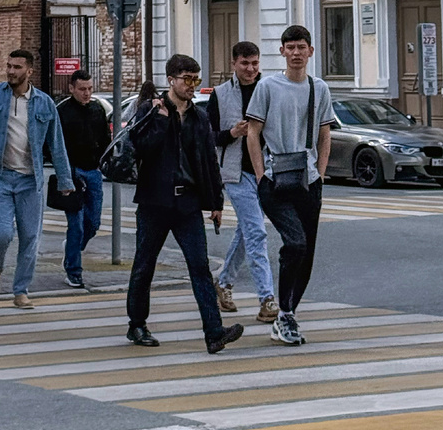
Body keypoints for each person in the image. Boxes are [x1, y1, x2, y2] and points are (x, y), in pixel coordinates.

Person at [125, 53, 244, 354]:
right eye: (186, 80)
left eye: (196, 79)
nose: (192, 86)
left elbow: (207, 160)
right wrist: (161, 123)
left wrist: (216, 202)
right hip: (154, 202)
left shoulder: (199, 117)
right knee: (144, 265)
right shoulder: (150, 111)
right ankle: (137, 324)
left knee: (200, 267)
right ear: (171, 81)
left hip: (187, 203)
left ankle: (214, 333)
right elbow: (141, 149)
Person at [246, 26, 336, 346]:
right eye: (290, 47)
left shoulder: (319, 88)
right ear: (282, 51)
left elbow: (325, 133)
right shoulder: (268, 86)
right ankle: (284, 314)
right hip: (275, 180)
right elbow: (253, 132)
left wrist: (321, 176)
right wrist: (260, 176)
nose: (296, 52)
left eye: (302, 47)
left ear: (311, 51)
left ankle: (288, 314)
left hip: (308, 181)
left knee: (307, 252)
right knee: (295, 244)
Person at [0, 49, 73, 309]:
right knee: (1, 234)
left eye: (17, 67)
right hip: (0, 177)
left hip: (30, 181)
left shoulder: (44, 103)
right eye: (8, 66)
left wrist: (65, 180)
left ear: (29, 71)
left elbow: (56, 143)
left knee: (30, 238)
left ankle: (21, 290)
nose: (10, 71)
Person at [207, 41, 278, 325]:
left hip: (266, 171)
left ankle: (223, 283)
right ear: (234, 63)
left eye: (255, 64)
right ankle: (267, 299)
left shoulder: (270, 89)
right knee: (257, 232)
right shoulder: (221, 95)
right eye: (245, 64)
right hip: (235, 173)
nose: (251, 69)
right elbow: (208, 137)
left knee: (247, 231)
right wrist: (231, 133)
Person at [57, 69, 110, 288]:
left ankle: (72, 248)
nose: (87, 94)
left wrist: (105, 161)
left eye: (89, 89)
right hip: (73, 171)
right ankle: (74, 271)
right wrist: (65, 175)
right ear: (71, 89)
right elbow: (55, 145)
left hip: (94, 170)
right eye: (82, 90)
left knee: (93, 224)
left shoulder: (97, 109)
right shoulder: (62, 111)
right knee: (76, 225)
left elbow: (105, 139)